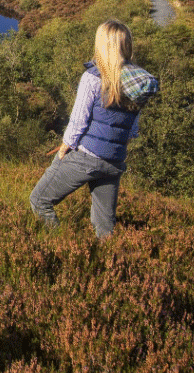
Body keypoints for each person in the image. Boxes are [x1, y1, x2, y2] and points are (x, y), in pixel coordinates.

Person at [29, 19, 159, 238]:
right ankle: (109, 260)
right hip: (114, 160)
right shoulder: (136, 83)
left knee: (39, 200)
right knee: (104, 225)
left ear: (101, 45)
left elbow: (78, 120)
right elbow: (132, 127)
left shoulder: (93, 77)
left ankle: (59, 247)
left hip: (86, 156)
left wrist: (65, 146)